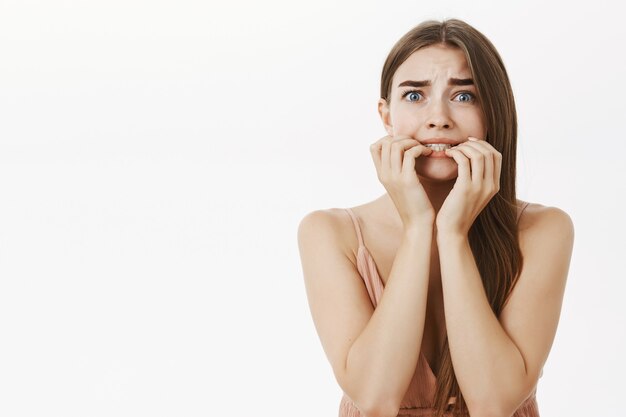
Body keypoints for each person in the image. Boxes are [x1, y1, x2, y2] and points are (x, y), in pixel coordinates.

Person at [297, 18, 574, 417]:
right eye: (414, 96)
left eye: (464, 97)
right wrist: (417, 228)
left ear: (493, 112)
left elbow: (493, 403)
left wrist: (452, 233)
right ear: (386, 116)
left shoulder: (543, 229)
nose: (438, 117)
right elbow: (375, 399)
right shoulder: (329, 232)